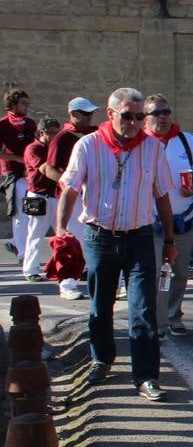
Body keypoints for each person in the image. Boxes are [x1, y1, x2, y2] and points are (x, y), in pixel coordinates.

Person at [55, 87, 176, 400]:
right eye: (127, 116)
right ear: (110, 115)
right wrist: (60, 229)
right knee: (100, 305)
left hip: (139, 235)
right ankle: (101, 359)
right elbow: (69, 190)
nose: (134, 122)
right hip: (99, 236)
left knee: (143, 309)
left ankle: (146, 376)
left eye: (139, 116)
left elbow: (162, 195)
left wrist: (170, 240)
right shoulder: (88, 145)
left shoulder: (152, 148)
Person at [144, 94, 193, 337]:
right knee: (159, 273)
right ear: (145, 118)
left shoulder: (185, 140)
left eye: (166, 112)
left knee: (180, 272)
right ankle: (159, 319)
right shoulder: (142, 142)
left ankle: (173, 315)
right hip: (152, 222)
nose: (163, 117)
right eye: (156, 113)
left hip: (183, 219)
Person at [42, 97, 99, 299]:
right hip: (71, 199)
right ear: (73, 114)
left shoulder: (95, 134)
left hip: (93, 196)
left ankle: (110, 284)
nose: (89, 117)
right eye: (85, 113)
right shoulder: (62, 137)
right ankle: (67, 285)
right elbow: (48, 169)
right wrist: (70, 185)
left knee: (97, 241)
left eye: (90, 113)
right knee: (69, 242)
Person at [20, 116, 62, 281]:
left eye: (56, 133)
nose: (53, 136)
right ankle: (30, 270)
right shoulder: (33, 148)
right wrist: (66, 179)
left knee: (63, 235)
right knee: (35, 234)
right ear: (41, 132)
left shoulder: (56, 148)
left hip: (55, 196)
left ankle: (64, 267)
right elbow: (44, 168)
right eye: (50, 133)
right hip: (37, 196)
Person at [1, 86, 38, 260]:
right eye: (23, 103)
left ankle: (17, 243)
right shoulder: (2, 125)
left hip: (31, 173)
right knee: (20, 212)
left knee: (34, 212)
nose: (27, 106)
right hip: (13, 174)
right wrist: (18, 159)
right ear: (13, 105)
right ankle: (23, 253)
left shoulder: (30, 124)